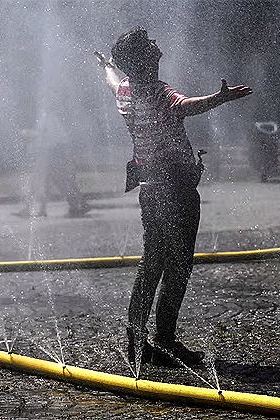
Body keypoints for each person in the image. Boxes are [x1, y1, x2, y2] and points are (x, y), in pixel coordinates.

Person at [96, 27, 252, 367]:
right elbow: (187, 106)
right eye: (150, 43)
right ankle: (164, 341)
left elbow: (111, 80)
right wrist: (218, 99)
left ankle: (137, 343)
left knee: (152, 263)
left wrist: (107, 65)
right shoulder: (158, 93)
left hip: (150, 189)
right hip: (177, 190)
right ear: (143, 57)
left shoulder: (126, 89)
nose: (156, 45)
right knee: (177, 266)